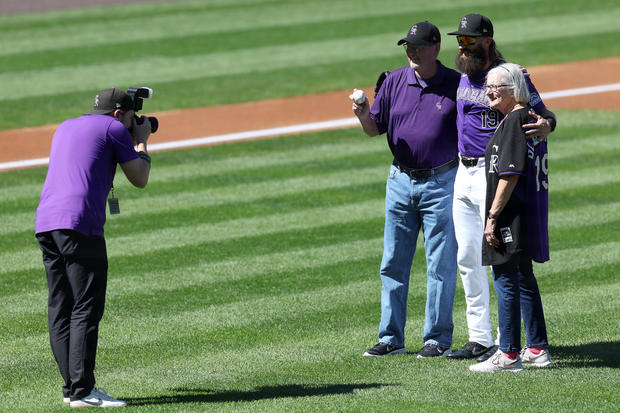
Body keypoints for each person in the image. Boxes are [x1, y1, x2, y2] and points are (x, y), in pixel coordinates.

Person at [445, 13, 557, 361]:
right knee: (467, 256)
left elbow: (544, 114)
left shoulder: (510, 76)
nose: (462, 46)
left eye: (468, 40)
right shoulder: (464, 76)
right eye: (459, 40)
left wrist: (547, 127)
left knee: (503, 259)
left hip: (494, 173)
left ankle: (506, 342)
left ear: (487, 41)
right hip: (463, 173)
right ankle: (480, 337)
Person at [35, 88, 153, 407]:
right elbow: (139, 178)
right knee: (86, 306)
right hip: (80, 224)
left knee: (61, 307)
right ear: (119, 115)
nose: (133, 122)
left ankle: (72, 387)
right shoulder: (115, 128)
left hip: (46, 222)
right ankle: (84, 391)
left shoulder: (66, 125)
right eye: (131, 118)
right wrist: (141, 140)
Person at [352, 21, 460, 358]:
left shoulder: (455, 85)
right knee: (393, 263)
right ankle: (390, 338)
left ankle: (437, 340)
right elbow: (374, 129)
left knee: (440, 265)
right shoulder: (395, 80)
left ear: (435, 48)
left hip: (442, 183)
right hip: (399, 181)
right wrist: (362, 113)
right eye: (407, 46)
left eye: (418, 46)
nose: (411, 52)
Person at [469, 63, 551, 372]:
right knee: (523, 277)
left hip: (509, 215)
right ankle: (537, 348)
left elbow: (510, 174)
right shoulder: (517, 119)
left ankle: (509, 354)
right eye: (487, 87)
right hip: (517, 213)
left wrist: (492, 217)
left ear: (514, 91)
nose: (489, 92)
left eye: (495, 88)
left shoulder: (516, 121)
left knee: (505, 278)